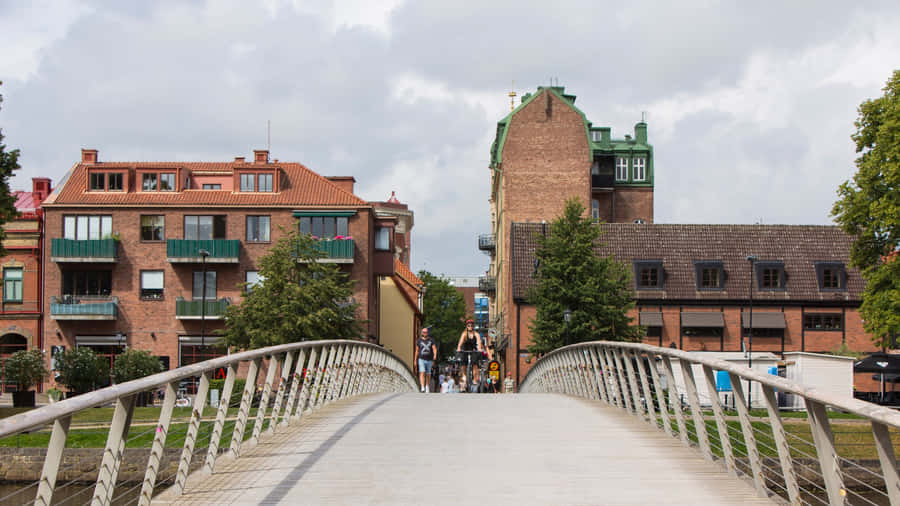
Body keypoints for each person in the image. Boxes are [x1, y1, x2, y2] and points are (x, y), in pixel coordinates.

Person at [456, 319, 484, 390]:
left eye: (471, 325)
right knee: (463, 364)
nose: (470, 327)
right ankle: (464, 378)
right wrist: (459, 348)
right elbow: (460, 342)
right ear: (467, 326)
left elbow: (479, 342)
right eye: (469, 325)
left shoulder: (476, 334)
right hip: (465, 350)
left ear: (473, 326)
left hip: (473, 351)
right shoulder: (464, 334)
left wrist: (479, 348)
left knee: (475, 364)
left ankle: (475, 379)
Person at [415, 327, 437, 392]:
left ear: (428, 333)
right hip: (421, 359)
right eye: (424, 332)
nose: (425, 333)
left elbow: (434, 349)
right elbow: (417, 351)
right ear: (422, 333)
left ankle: (427, 385)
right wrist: (415, 360)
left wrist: (435, 356)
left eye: (426, 332)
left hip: (429, 359)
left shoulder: (431, 340)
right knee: (422, 372)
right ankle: (422, 387)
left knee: (428, 373)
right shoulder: (419, 341)